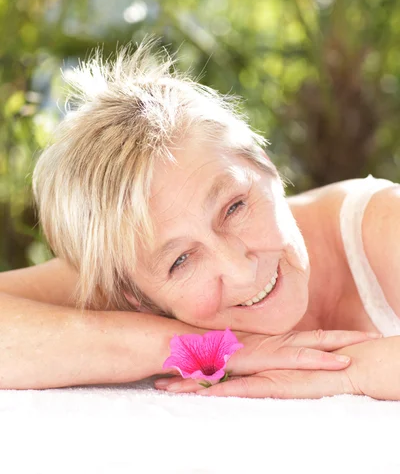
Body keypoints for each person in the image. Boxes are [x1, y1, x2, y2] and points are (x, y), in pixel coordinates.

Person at [1, 41, 400, 399]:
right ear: (136, 299)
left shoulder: (382, 226)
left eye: (234, 208)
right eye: (181, 261)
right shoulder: (128, 266)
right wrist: (190, 347)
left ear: (266, 166)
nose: (241, 271)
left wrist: (350, 374)